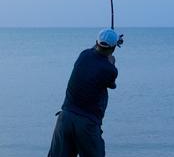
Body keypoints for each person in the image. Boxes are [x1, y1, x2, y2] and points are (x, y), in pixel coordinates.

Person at [48, 28, 123, 157]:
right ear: (114, 48)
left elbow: (96, 50)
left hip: (65, 118)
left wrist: (112, 43)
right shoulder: (110, 70)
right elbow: (112, 84)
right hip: (86, 123)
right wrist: (112, 60)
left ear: (96, 42)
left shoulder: (83, 55)